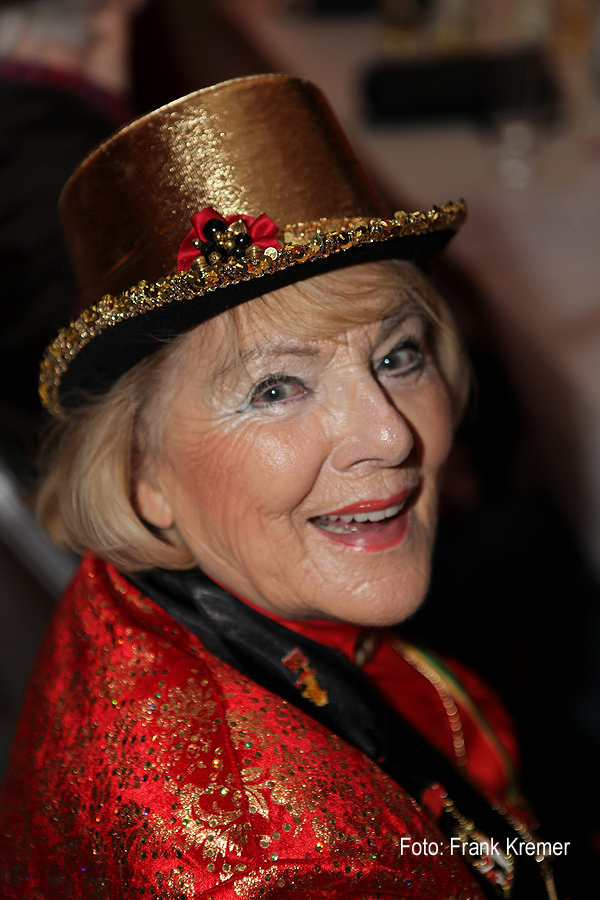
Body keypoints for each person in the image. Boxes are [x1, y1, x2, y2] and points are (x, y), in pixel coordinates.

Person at [0, 75, 565, 898]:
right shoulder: (283, 867)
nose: (390, 434)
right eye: (275, 388)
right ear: (140, 472)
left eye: (398, 356)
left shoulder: (180, 593)